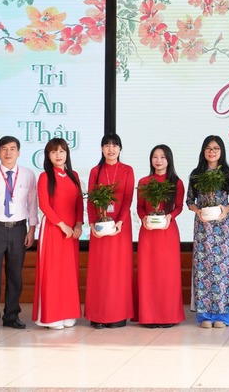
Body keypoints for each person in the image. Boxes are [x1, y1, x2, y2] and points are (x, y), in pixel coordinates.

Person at [0, 135, 38, 333]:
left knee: (15, 276)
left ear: (18, 152)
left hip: (19, 229)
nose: (8, 152)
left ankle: (12, 316)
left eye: (12, 149)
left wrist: (32, 230)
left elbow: (32, 204)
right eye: (4, 149)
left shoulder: (28, 175)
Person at [186, 135, 229, 328]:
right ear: (203, 151)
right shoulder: (196, 174)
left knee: (222, 271)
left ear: (221, 151)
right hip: (203, 227)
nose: (212, 152)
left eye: (216, 148)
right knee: (203, 269)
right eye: (208, 148)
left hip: (223, 226)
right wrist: (197, 211)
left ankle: (222, 316)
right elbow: (189, 200)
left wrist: (226, 209)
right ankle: (205, 315)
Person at [85, 133, 135, 329]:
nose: (111, 149)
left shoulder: (127, 170)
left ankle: (118, 315)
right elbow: (91, 200)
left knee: (118, 271)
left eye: (115, 146)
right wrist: (91, 223)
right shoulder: (95, 171)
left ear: (120, 148)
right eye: (107, 145)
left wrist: (120, 222)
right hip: (99, 227)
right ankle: (97, 315)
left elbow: (128, 198)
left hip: (120, 227)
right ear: (101, 149)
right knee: (100, 271)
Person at [33, 138, 83, 330]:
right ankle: (51, 316)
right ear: (48, 156)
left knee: (69, 272)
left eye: (61, 151)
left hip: (72, 232)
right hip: (53, 229)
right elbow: (44, 205)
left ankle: (68, 313)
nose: (58, 155)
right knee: (52, 272)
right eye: (53, 152)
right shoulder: (45, 177)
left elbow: (79, 203)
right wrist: (63, 226)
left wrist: (78, 225)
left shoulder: (74, 175)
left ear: (67, 154)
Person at [135, 144, 185, 328]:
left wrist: (170, 216)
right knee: (148, 273)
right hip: (148, 232)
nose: (158, 160)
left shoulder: (176, 182)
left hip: (167, 231)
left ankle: (168, 316)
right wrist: (143, 218)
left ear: (169, 160)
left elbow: (179, 206)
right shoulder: (144, 182)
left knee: (167, 274)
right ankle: (148, 317)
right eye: (155, 157)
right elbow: (140, 207)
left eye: (163, 157)